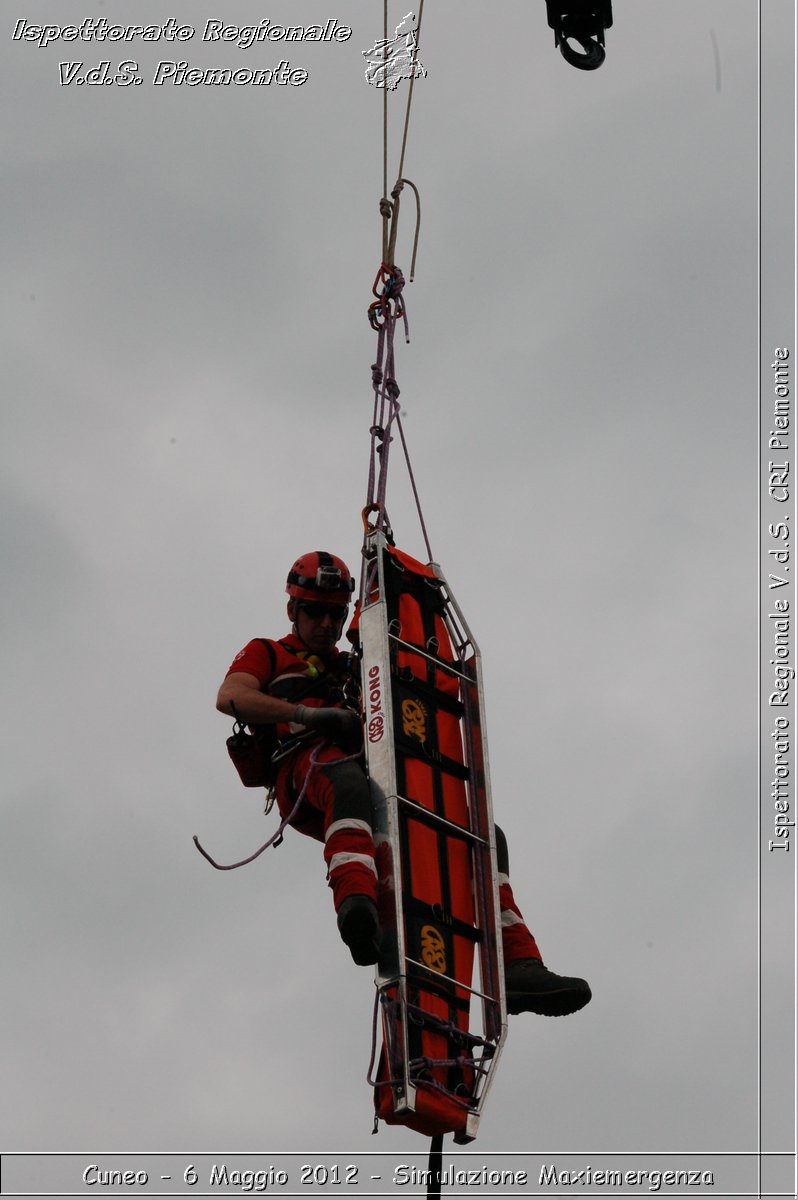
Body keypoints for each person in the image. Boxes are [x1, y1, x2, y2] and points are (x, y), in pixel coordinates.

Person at [217, 550, 591, 1018]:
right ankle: (356, 907)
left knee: (480, 835)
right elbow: (231, 696)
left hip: (364, 771)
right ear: (292, 609)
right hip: (304, 769)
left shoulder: (357, 662)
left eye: (336, 613)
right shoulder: (268, 652)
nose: (327, 623)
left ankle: (518, 962)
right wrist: (309, 715)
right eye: (315, 611)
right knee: (345, 782)